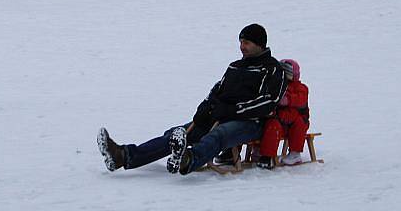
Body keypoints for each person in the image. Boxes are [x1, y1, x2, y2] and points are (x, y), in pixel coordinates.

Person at [97, 23, 289, 175]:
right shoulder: (235, 66)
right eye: (240, 42)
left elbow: (268, 102)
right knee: (178, 133)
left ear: (259, 44)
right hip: (221, 115)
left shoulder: (272, 69)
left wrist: (233, 110)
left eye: (246, 43)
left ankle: (187, 159)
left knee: (219, 134)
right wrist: (205, 107)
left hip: (252, 123)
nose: (241, 47)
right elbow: (217, 89)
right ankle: (123, 156)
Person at [255, 58, 309, 167]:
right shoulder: (277, 85)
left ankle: (295, 153)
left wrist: (288, 99)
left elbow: (300, 99)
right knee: (271, 126)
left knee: (299, 124)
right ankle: (266, 155)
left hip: (295, 121)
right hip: (279, 120)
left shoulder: (301, 88)